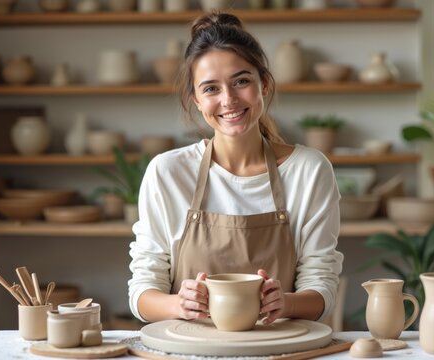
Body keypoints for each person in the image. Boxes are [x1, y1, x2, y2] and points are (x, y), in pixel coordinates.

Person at [128, 11, 343, 326]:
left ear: (264, 84)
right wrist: (178, 304)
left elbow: (322, 284)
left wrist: (286, 302)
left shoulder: (308, 171)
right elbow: (142, 290)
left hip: (278, 348)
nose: (228, 99)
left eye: (241, 81)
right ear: (196, 100)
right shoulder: (168, 173)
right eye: (211, 89)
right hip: (188, 350)